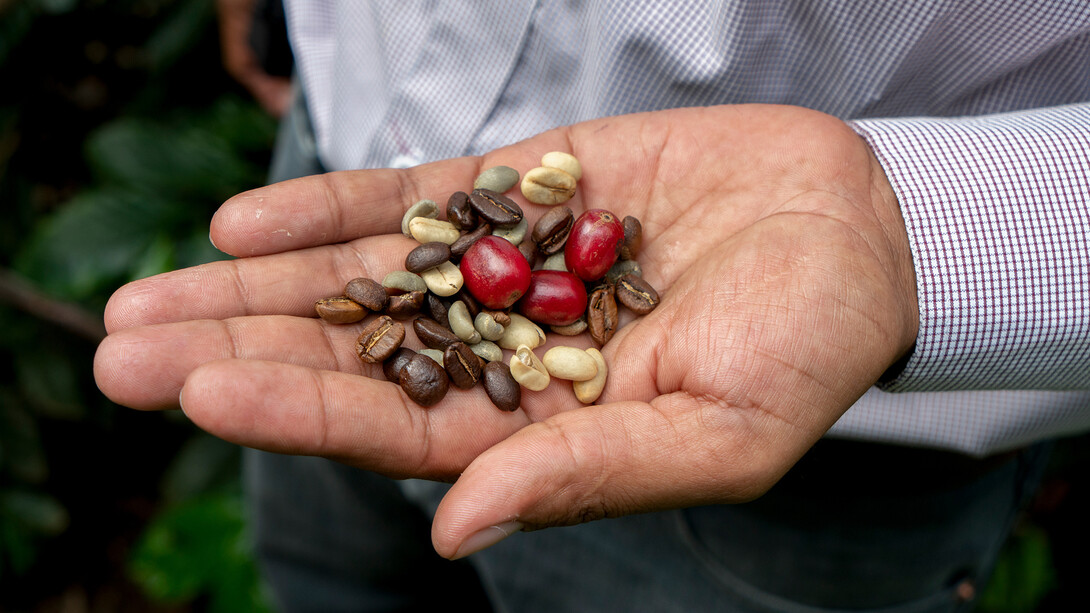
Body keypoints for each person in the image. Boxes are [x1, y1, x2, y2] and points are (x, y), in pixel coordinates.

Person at [95, 2, 1090, 611]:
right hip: (346, 122)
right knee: (329, 581)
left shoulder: (549, 280)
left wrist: (900, 235)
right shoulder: (476, 283)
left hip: (836, 443)